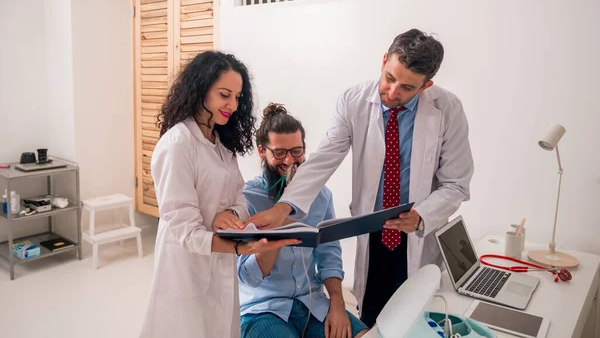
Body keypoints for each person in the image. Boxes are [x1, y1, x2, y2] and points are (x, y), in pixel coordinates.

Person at [246, 29, 474, 327]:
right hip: (374, 228)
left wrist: (421, 216)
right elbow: (324, 159)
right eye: (390, 78)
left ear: (426, 85)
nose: (393, 92)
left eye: (406, 87)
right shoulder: (353, 102)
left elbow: (456, 183)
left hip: (418, 231)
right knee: (373, 319)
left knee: (414, 320)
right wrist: (284, 207)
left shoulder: (448, 109)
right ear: (383, 61)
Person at [140, 52, 299, 338]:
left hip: (220, 263)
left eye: (238, 97)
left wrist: (230, 217)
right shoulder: (178, 144)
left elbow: (238, 200)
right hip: (186, 267)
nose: (233, 105)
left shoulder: (221, 146)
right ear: (201, 89)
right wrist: (239, 248)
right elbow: (183, 229)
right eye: (225, 94)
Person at [238, 103, 368, 338]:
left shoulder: (322, 195)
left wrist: (337, 304)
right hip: (263, 309)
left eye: (297, 151)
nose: (289, 161)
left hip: (312, 302)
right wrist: (279, 221)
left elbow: (329, 254)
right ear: (261, 151)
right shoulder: (246, 198)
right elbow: (248, 278)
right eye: (279, 153)